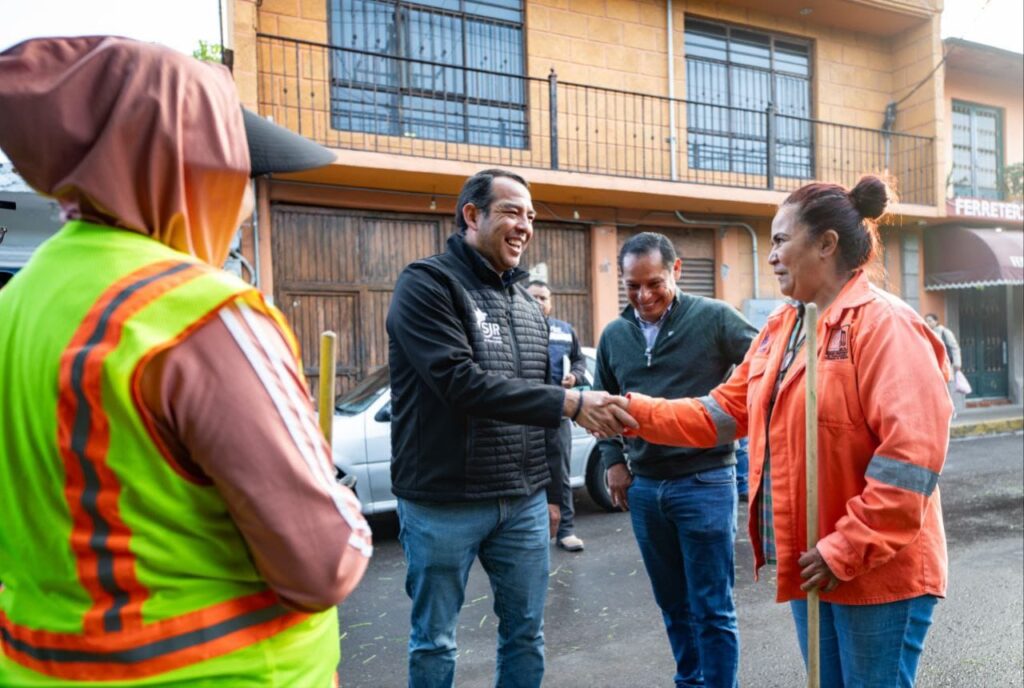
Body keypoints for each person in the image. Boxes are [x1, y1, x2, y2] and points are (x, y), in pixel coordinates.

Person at [0, 36, 372, 686]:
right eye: (239, 172)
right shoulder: (199, 311)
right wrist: (337, 505)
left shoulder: (18, 303)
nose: (244, 203)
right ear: (189, 162)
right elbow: (322, 564)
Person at [624, 177, 952, 687]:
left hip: (874, 572)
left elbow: (911, 462)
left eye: (780, 240)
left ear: (826, 243)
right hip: (815, 564)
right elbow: (720, 414)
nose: (771, 255)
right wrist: (628, 411)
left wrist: (844, 549)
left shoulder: (885, 325)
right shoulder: (785, 326)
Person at [386, 168, 635, 688]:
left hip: (520, 502)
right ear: (471, 216)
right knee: (435, 640)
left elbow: (536, 403)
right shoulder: (426, 285)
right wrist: (571, 402)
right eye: (511, 212)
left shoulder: (527, 304)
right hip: (442, 502)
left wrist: (549, 490)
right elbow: (460, 383)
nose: (525, 225)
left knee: (525, 634)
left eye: (530, 216)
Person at [593, 232, 757, 688]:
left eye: (654, 283)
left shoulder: (715, 318)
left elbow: (767, 362)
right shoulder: (613, 336)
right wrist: (613, 460)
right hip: (646, 488)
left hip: (705, 481)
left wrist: (731, 415)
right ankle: (691, 681)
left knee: (711, 605)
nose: (643, 296)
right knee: (671, 603)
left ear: (677, 271)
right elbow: (603, 402)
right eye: (632, 286)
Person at [527, 279, 590, 552]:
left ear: (551, 302)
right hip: (523, 417)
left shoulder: (565, 331)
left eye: (543, 297)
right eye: (534, 297)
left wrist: (574, 375)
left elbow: (579, 360)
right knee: (525, 474)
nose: (539, 302)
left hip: (558, 415)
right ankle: (530, 533)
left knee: (559, 474)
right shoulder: (514, 328)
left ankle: (565, 531)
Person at [925, 313, 964, 415]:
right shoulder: (927, 333)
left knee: (947, 389)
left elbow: (954, 347)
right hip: (932, 365)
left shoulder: (945, 332)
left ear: (936, 321)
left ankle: (951, 410)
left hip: (945, 365)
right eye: (926, 321)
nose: (928, 323)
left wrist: (957, 363)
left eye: (930, 321)